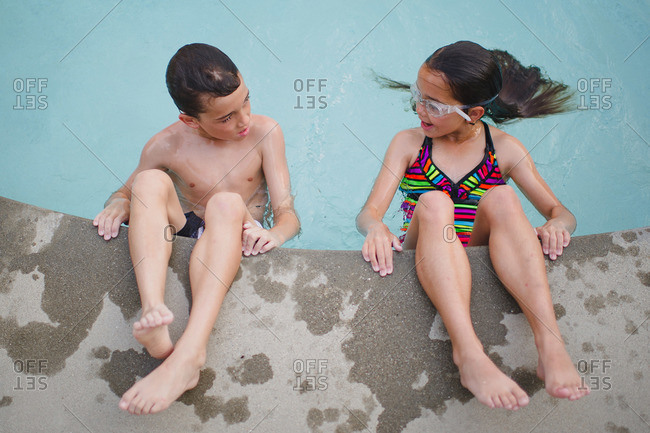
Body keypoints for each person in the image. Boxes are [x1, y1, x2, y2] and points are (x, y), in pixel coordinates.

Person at [356, 40, 589, 410]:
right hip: (426, 240)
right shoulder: (408, 143)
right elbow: (368, 213)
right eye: (419, 95)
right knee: (434, 201)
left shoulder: (506, 149)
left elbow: (560, 212)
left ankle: (550, 346)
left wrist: (557, 224)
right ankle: (469, 355)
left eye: (433, 105)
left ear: (474, 112)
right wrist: (376, 228)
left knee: (502, 197)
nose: (420, 109)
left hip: (473, 239)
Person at [93, 43, 300, 415]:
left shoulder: (265, 133)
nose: (244, 121)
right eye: (225, 118)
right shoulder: (167, 143)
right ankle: (153, 310)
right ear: (191, 120)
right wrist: (118, 203)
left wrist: (276, 234)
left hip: (238, 234)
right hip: (188, 230)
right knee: (149, 183)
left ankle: (190, 352)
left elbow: (287, 212)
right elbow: (124, 188)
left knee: (226, 202)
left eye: (246, 102)